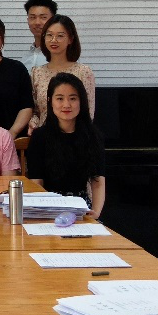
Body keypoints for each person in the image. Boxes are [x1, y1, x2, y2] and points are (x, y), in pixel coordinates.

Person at [27, 72, 106, 218]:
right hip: (49, 207)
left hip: (82, 207)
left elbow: (98, 182)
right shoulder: (39, 137)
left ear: (81, 101)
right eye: (59, 98)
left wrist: (95, 214)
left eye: (73, 98)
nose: (66, 105)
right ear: (50, 101)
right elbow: (36, 183)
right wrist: (47, 211)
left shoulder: (92, 136)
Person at [29, 14, 95, 131]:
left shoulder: (83, 72)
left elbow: (88, 111)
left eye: (60, 36)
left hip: (75, 136)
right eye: (49, 35)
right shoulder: (36, 72)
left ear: (70, 39)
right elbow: (36, 111)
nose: (54, 40)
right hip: (45, 135)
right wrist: (33, 123)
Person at [22, 0, 57, 73]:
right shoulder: (25, 58)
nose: (37, 22)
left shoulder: (61, 56)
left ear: (53, 20)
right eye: (32, 17)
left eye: (43, 17)